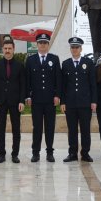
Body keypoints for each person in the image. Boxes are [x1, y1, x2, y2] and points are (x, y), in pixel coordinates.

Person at [25, 33, 61, 162]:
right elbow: (27, 80)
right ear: (37, 45)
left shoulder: (54, 59)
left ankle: (49, 152)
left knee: (50, 127)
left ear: (48, 45)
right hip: (37, 100)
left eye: (45, 43)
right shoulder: (30, 60)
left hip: (50, 100)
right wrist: (27, 96)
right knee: (37, 128)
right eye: (40, 43)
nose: (43, 45)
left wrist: (57, 95)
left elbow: (58, 79)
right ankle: (36, 152)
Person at [60, 37, 97, 162]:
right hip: (70, 103)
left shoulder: (88, 63)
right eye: (72, 47)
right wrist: (63, 102)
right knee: (72, 130)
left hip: (85, 103)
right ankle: (72, 153)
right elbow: (63, 85)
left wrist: (93, 101)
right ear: (70, 49)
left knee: (85, 129)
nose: (74, 49)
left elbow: (93, 84)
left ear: (81, 49)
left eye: (77, 47)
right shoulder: (65, 64)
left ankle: (85, 153)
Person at [0, 39, 26, 163]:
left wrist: (22, 101)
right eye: (5, 48)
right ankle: (2, 154)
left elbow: (23, 85)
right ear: (2, 50)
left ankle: (15, 154)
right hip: (0, 101)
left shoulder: (20, 65)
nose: (7, 51)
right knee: (1, 129)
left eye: (9, 48)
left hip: (15, 102)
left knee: (16, 129)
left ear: (13, 49)